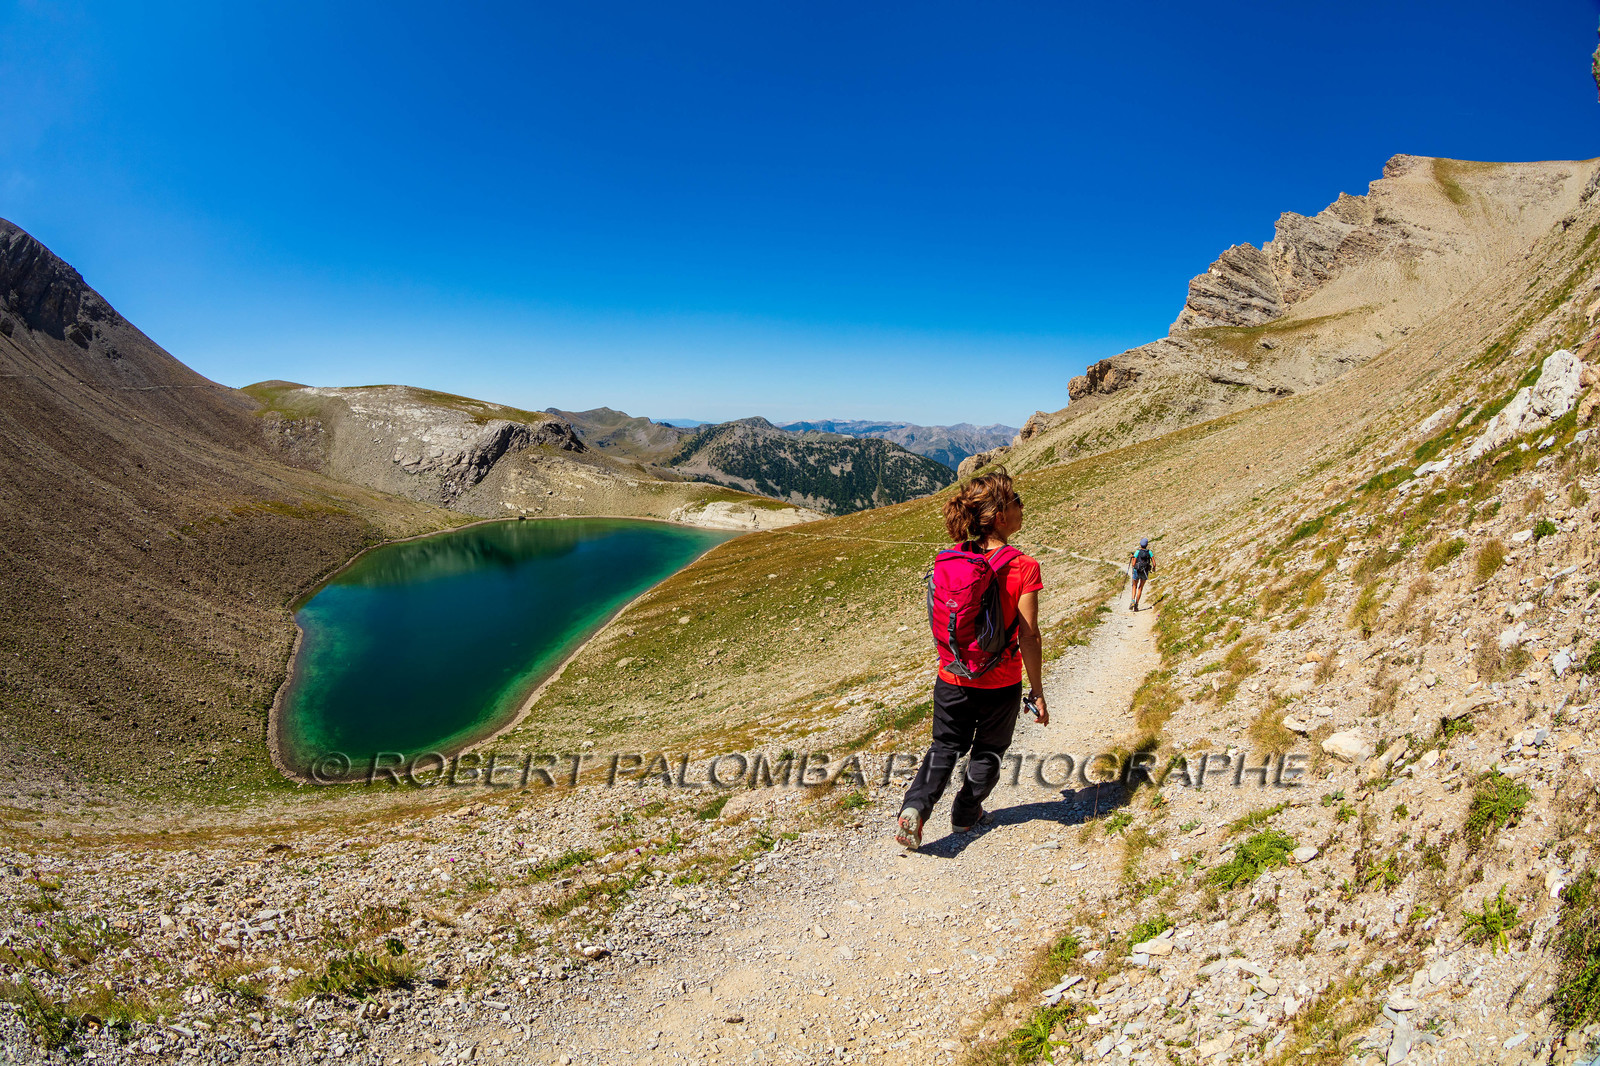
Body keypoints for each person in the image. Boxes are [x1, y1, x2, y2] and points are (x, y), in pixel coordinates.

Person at [895, 469, 1047, 850]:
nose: (1022, 507)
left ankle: (915, 808)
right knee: (989, 751)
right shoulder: (1024, 566)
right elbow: (1028, 634)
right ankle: (966, 815)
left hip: (952, 676)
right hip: (1001, 680)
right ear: (999, 516)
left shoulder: (950, 559)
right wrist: (1038, 690)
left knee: (944, 746)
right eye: (1016, 502)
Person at [1128, 538, 1154, 611]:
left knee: (1134, 586)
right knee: (1140, 588)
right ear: (1146, 544)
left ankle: (1132, 601)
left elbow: (1133, 564)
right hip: (1145, 571)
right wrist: (1154, 568)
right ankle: (1136, 604)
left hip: (1137, 570)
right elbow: (1154, 563)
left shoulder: (1137, 552)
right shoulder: (1149, 552)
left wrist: (1132, 558)